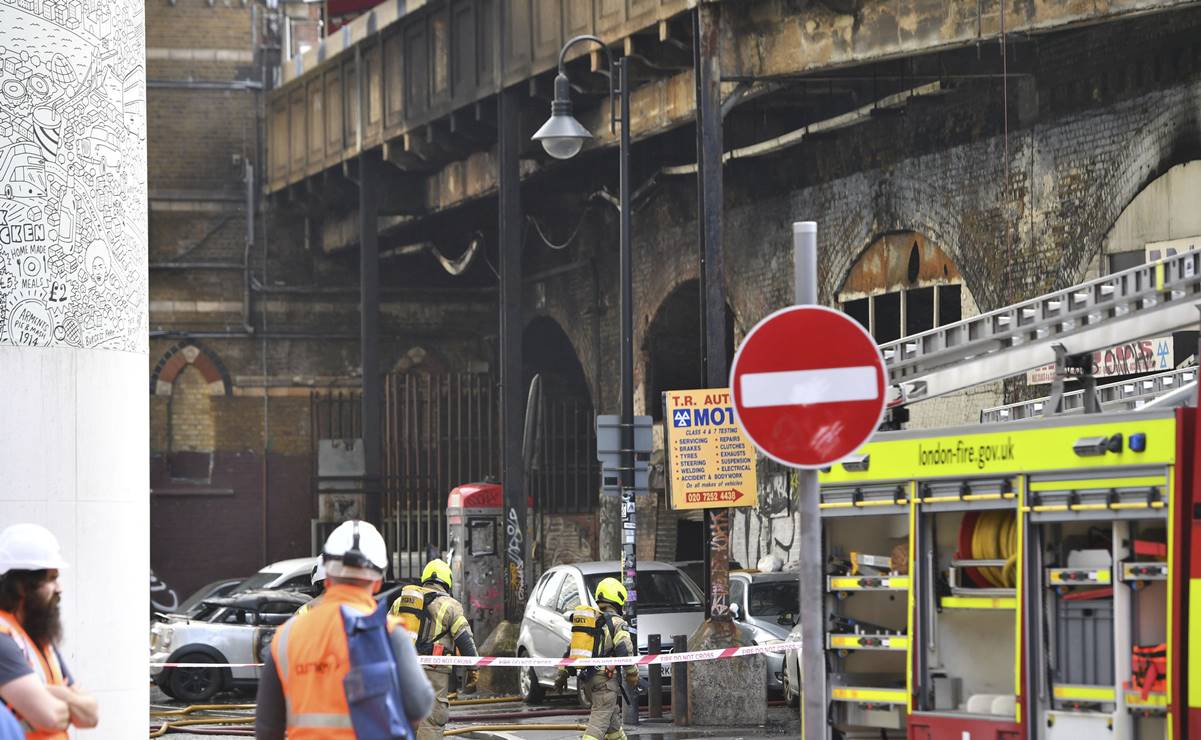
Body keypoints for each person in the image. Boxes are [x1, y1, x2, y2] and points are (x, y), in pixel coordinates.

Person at [255, 521, 434, 739]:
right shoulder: (389, 633)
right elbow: (419, 706)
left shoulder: (286, 636)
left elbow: (267, 727)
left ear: (327, 577)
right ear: (378, 581)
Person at [0, 523, 99, 738]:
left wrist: (61, 695)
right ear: (21, 585)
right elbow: (50, 717)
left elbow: (90, 716)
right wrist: (69, 699)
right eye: (51, 579)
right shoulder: (2, 639)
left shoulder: (37, 636)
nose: (60, 588)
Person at [391, 559, 479, 740]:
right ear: (446, 582)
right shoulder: (450, 605)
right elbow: (465, 640)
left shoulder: (401, 602)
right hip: (434, 672)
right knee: (430, 721)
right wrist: (473, 669)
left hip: (401, 670)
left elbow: (384, 634)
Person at [553, 577, 638, 740]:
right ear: (618, 598)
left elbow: (571, 650)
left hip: (587, 682)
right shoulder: (617, 622)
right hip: (605, 684)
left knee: (613, 728)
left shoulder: (591, 622)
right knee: (596, 729)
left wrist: (562, 674)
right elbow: (624, 649)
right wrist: (632, 674)